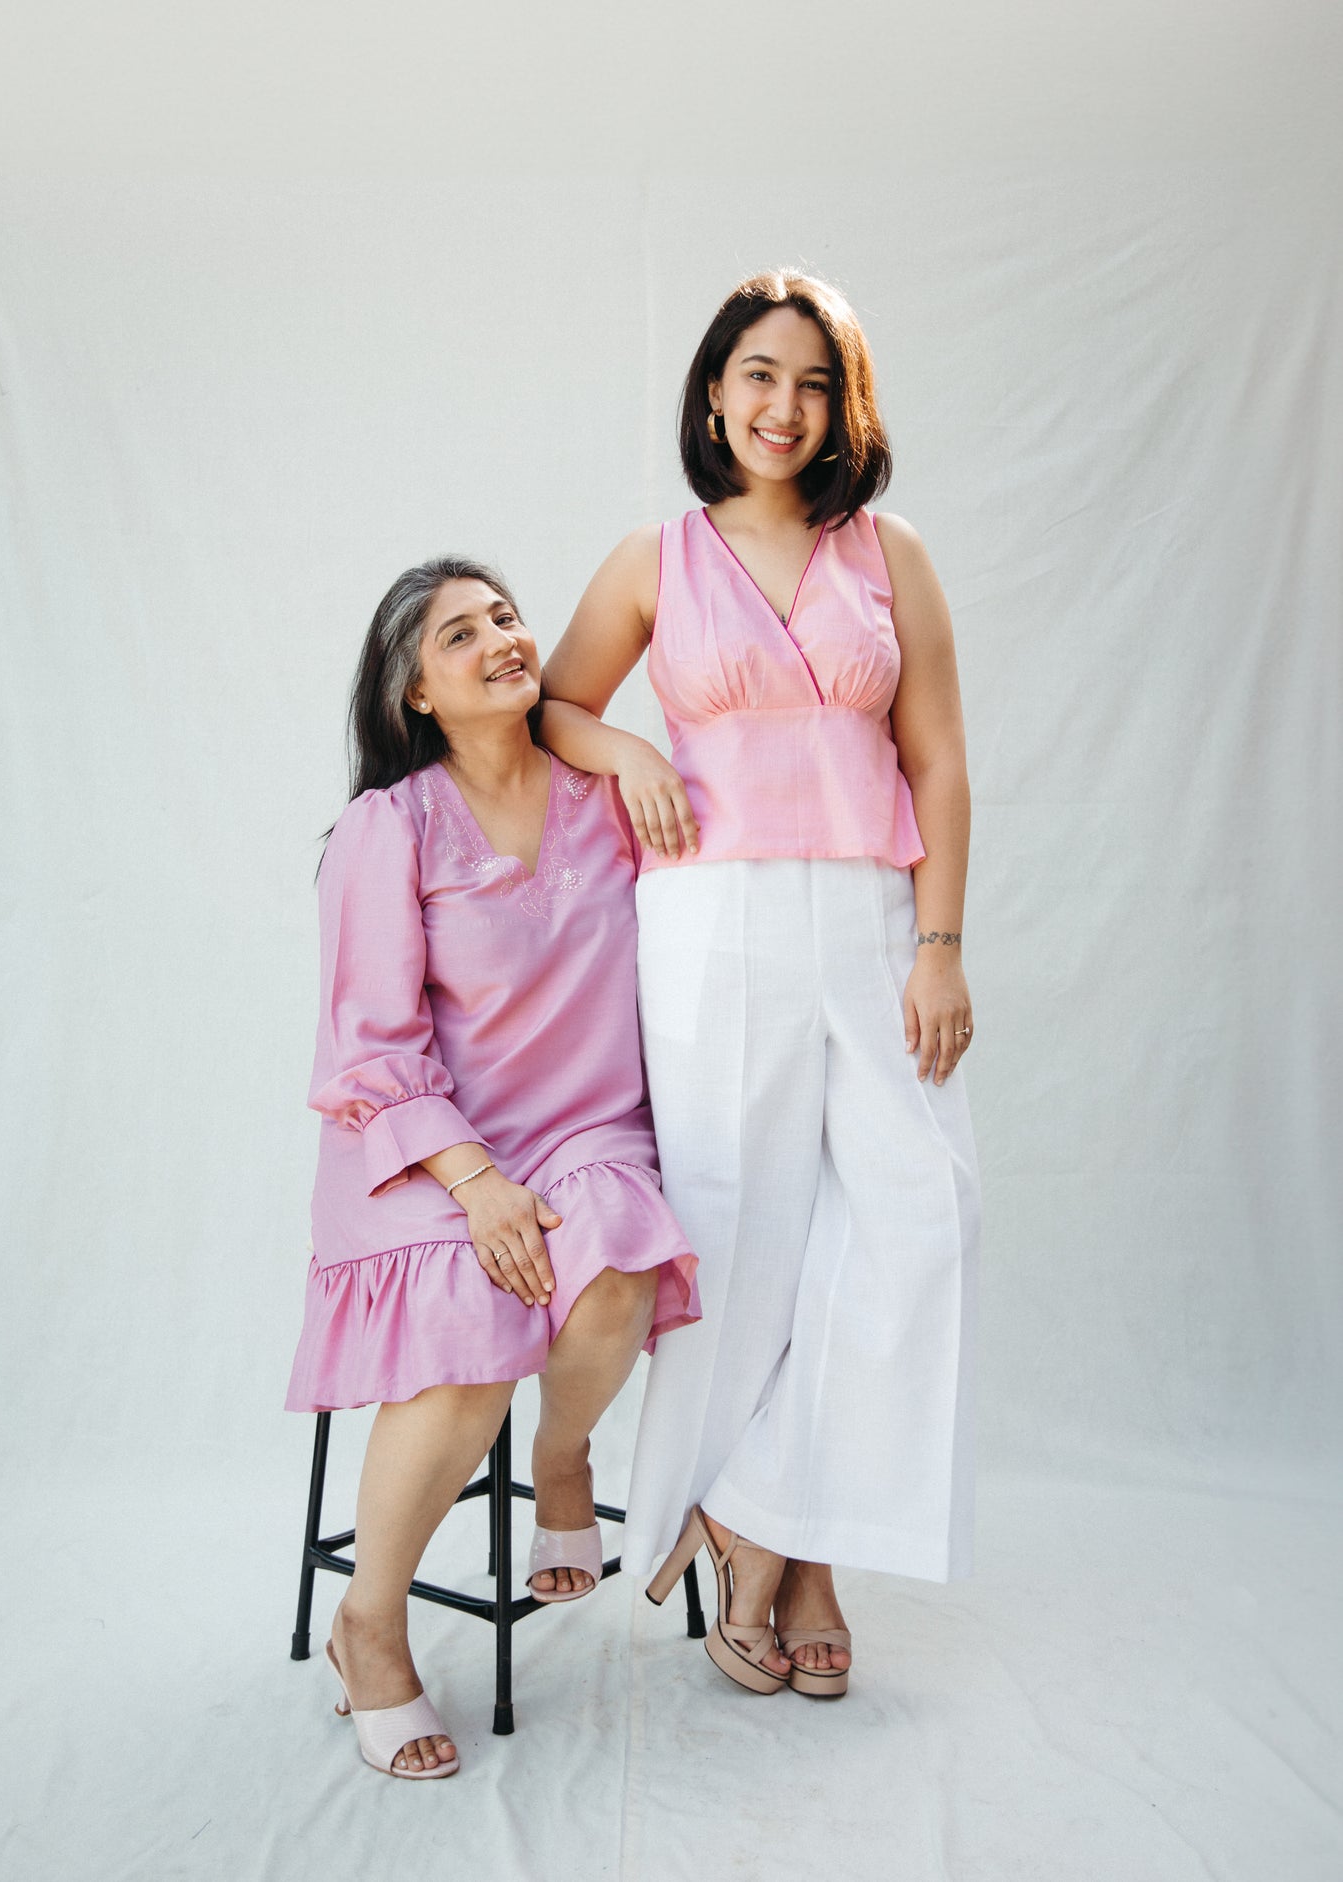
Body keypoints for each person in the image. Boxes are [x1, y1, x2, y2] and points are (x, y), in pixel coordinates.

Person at [541, 270, 980, 1700]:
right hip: (712, 921)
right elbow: (554, 706)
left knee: (921, 1212)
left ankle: (770, 1510)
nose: (780, 407)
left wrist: (939, 943)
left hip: (868, 913)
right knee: (737, 1232)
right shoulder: (651, 558)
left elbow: (940, 759)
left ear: (841, 405)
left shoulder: (888, 552)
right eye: (755, 375)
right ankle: (793, 1553)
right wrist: (635, 754)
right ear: (713, 391)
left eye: (810, 381)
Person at [286, 555, 698, 1778]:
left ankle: (561, 1457)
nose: (502, 640)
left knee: (618, 1269)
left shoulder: (607, 798)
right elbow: (368, 1039)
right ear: (416, 693)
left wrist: (623, 747)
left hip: (586, 1130)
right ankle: (369, 1624)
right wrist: (472, 1180)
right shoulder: (387, 827)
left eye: (507, 617)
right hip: (426, 1142)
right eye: (460, 635)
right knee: (474, 1324)